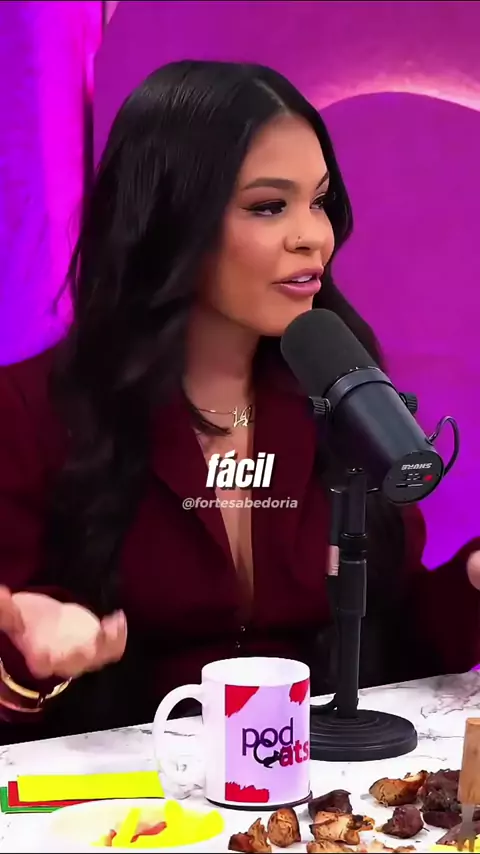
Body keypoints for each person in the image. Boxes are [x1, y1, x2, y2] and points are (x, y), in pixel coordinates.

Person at [0, 60, 479, 746]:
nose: (313, 236)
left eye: (320, 202)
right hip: (127, 795)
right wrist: (29, 659)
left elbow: (395, 647)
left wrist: (472, 583)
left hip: (316, 788)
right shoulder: (31, 411)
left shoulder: (337, 384)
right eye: (268, 206)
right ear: (169, 219)